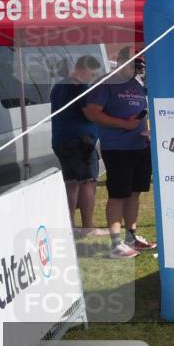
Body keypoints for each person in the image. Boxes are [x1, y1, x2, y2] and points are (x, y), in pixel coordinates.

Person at [83, 48, 155, 259]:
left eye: (139, 66)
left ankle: (131, 236)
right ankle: (116, 244)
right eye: (133, 64)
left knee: (135, 192)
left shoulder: (136, 85)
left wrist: (146, 130)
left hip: (140, 145)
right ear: (121, 61)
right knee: (118, 194)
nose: (136, 69)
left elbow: (140, 114)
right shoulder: (106, 83)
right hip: (117, 147)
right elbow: (91, 112)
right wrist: (123, 123)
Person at [51, 55, 108, 239]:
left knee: (71, 184)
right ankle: (88, 227)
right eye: (92, 74)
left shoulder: (58, 86)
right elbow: (89, 114)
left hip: (60, 139)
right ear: (83, 69)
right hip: (81, 142)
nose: (92, 78)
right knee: (88, 182)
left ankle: (70, 225)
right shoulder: (81, 87)